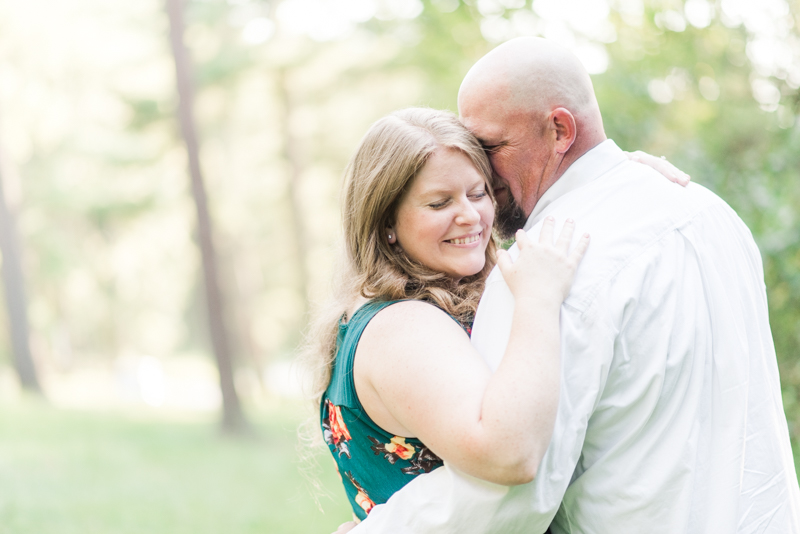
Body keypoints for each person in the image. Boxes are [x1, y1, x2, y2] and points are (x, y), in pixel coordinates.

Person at [347, 38, 800, 533]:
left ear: (560, 130)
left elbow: (511, 493)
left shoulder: (546, 268)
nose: (483, 177)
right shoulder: (709, 211)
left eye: (491, 148)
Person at [309, 108, 686, 533]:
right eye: (439, 202)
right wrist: (538, 301)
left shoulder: (451, 299)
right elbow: (510, 454)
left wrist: (611, 178)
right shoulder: (402, 327)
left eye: (479, 193)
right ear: (386, 223)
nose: (470, 216)